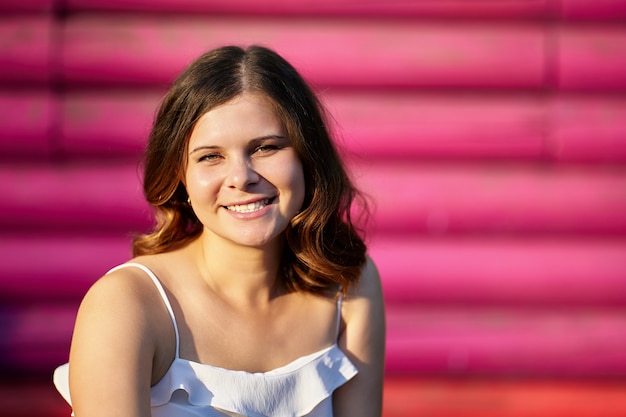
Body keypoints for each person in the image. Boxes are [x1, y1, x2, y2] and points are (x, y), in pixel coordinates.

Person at [53, 45, 385, 417]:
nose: (242, 177)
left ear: (308, 159)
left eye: (266, 148)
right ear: (181, 178)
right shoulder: (128, 305)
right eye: (211, 156)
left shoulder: (350, 283)